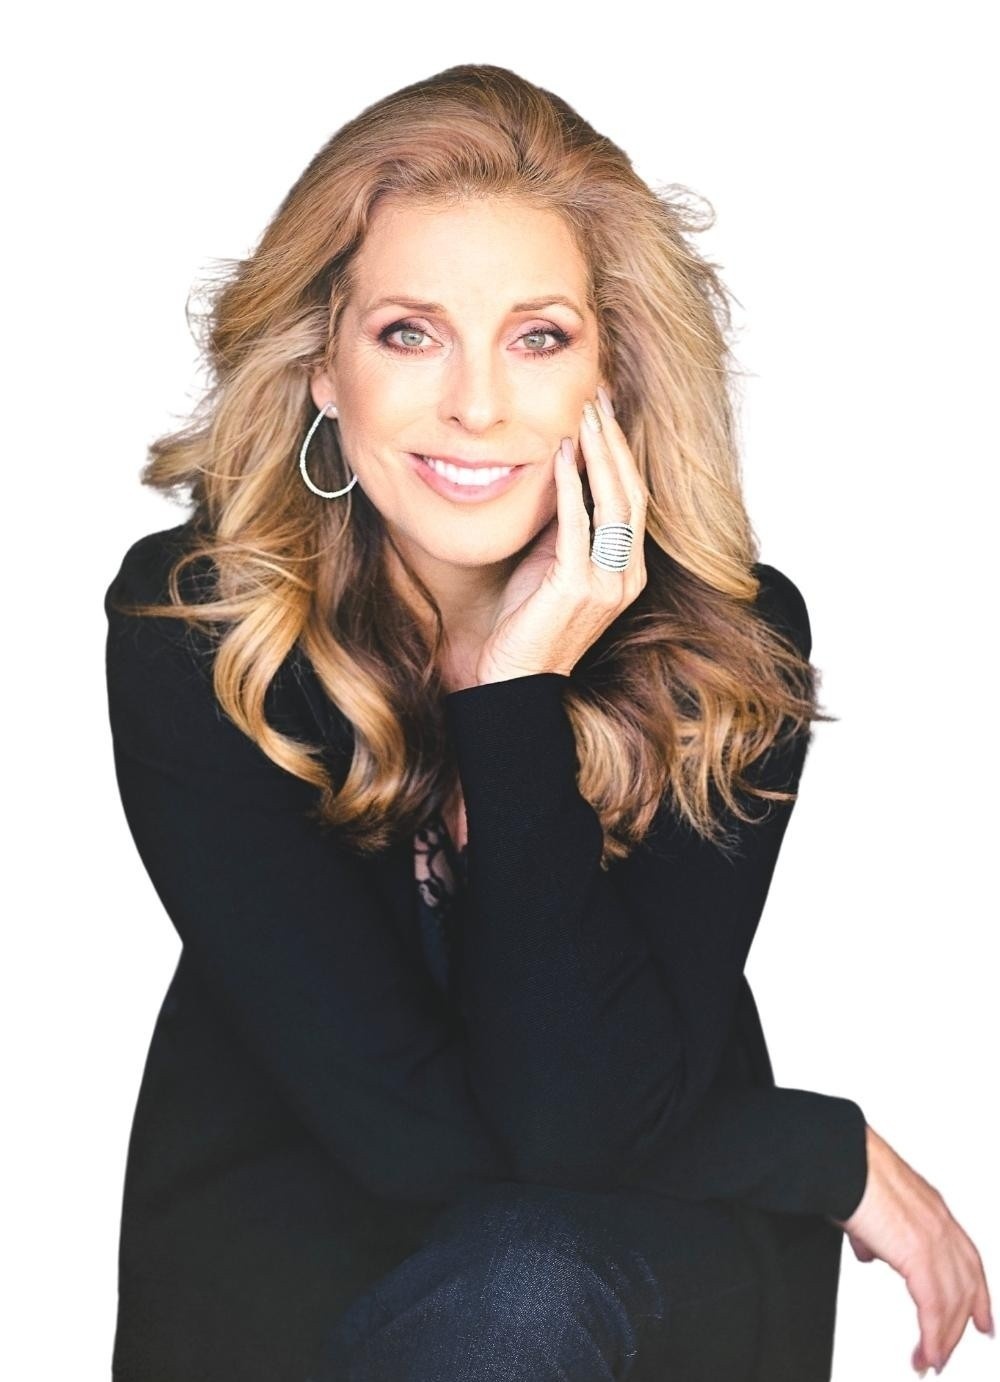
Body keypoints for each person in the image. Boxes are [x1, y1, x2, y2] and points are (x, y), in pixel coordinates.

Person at [102, 64, 992, 1382]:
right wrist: (817, 1151)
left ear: (611, 372)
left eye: (538, 338)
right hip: (300, 1311)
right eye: (411, 332)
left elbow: (577, 1129)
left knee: (530, 1278)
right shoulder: (206, 631)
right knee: (515, 1287)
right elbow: (407, 1135)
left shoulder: (726, 645)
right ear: (325, 367)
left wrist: (510, 700)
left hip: (627, 1290)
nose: (477, 405)